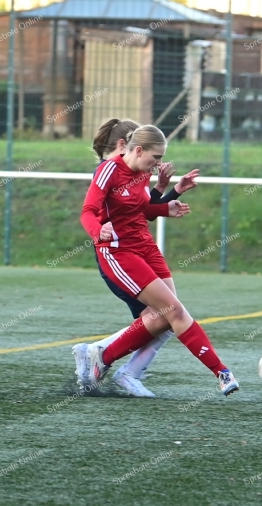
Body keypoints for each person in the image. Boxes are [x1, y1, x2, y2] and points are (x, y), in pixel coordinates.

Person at [73, 125, 239, 396]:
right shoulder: (108, 171)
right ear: (138, 150)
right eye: (156, 157)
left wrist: (169, 202)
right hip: (119, 251)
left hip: (145, 246)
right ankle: (221, 372)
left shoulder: (143, 172)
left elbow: (144, 210)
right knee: (173, 311)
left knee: (165, 317)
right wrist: (97, 230)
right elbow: (88, 212)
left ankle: (103, 358)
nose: (159, 163)